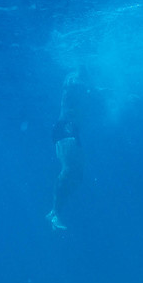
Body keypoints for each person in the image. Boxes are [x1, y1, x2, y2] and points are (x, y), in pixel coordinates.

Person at [46, 70, 102, 231]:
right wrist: (97, 90)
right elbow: (75, 86)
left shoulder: (81, 82)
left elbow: (87, 91)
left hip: (70, 130)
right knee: (70, 170)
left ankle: (56, 210)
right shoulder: (73, 79)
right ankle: (54, 212)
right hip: (64, 129)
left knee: (78, 175)